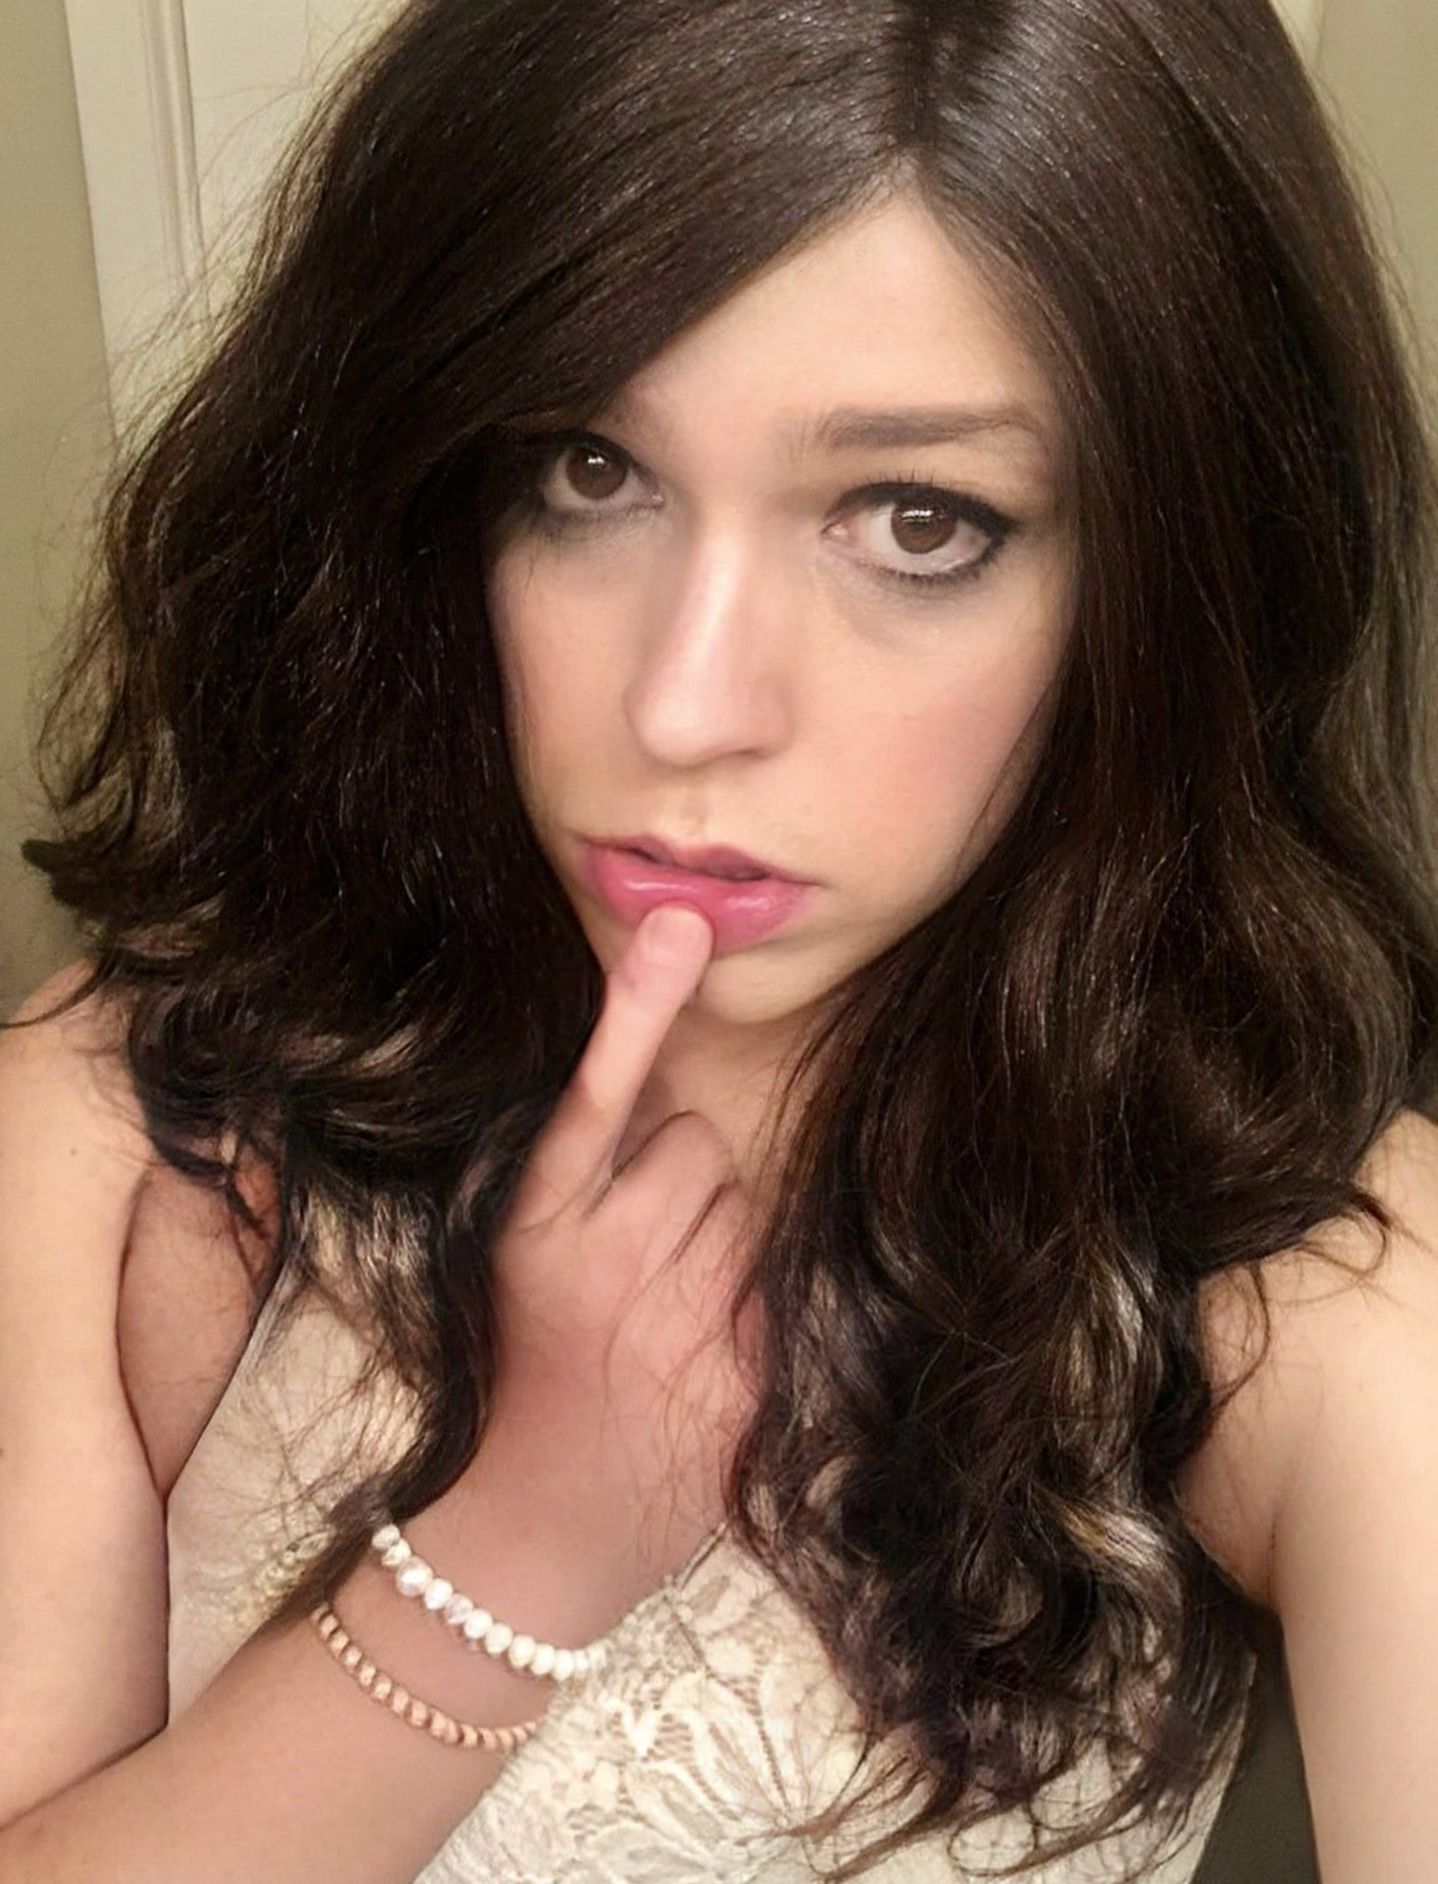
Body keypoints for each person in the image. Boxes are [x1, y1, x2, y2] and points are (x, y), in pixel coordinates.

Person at [1, 0, 1435, 1877]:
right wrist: (521, 1549)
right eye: (590, 472)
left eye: (916, 520)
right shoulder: (132, 1134)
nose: (682, 706)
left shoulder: (1308, 1280)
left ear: (1163, 583)